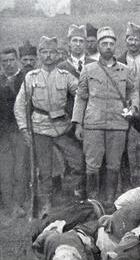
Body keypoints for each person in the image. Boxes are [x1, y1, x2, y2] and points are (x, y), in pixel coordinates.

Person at [14, 37, 86, 218]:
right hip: (40, 128)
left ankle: (75, 198)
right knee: (45, 171)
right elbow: (20, 105)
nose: (48, 56)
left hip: (63, 126)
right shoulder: (31, 78)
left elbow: (81, 94)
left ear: (57, 54)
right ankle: (45, 207)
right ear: (39, 55)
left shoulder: (65, 76)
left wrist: (78, 119)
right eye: (44, 52)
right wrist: (24, 129)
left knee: (78, 160)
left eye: (52, 52)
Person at [72, 27, 140, 206]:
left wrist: (133, 107)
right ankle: (93, 202)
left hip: (118, 124)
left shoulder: (125, 70)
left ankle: (109, 201)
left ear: (115, 46)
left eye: (111, 44)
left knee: (114, 165)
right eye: (104, 44)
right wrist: (78, 123)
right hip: (93, 124)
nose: (108, 47)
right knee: (92, 165)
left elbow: (133, 90)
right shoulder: (88, 69)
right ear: (99, 46)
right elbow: (81, 97)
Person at [118, 22, 140, 186]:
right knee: (122, 143)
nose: (133, 43)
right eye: (130, 39)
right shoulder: (117, 61)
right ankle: (126, 179)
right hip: (123, 108)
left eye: (137, 40)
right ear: (126, 40)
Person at [0, 48, 29, 217]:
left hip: (20, 131)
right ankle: (8, 204)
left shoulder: (26, 78)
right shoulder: (0, 80)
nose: (8, 64)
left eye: (11, 60)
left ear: (17, 60)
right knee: (5, 169)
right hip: (3, 133)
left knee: (20, 168)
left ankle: (18, 204)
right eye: (4, 62)